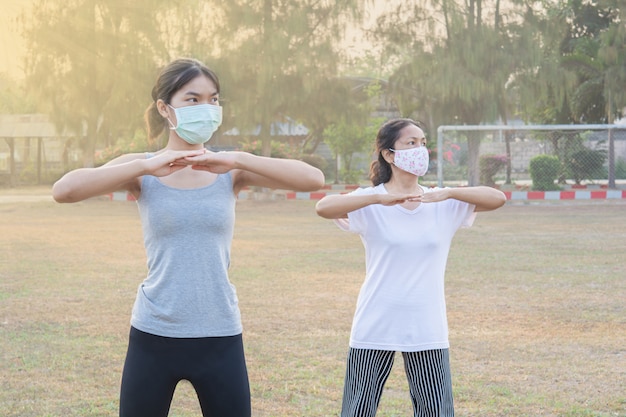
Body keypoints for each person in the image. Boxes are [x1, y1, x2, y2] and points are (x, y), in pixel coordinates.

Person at [52, 57, 325, 417]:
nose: (207, 108)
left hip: (219, 332)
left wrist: (238, 158)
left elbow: (313, 180)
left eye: (213, 100)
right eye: (193, 99)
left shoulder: (230, 170)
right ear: (165, 109)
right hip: (154, 332)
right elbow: (64, 190)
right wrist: (146, 165)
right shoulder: (142, 167)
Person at [315, 118, 506, 417]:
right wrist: (379, 197)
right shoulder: (370, 202)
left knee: (435, 412)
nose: (420, 149)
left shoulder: (442, 202)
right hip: (375, 322)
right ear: (389, 154)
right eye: (411, 143)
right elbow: (322, 207)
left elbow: (498, 198)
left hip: (426, 324)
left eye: (423, 142)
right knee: (357, 411)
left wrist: (450, 193)